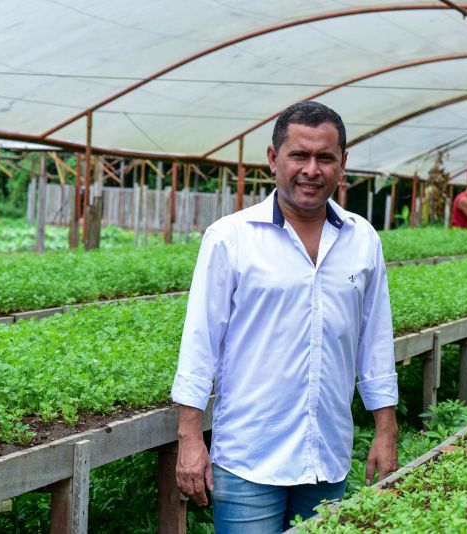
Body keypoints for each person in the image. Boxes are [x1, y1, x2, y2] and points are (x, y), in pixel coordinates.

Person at [170, 101, 399, 533]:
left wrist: (386, 431)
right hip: (250, 459)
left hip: (327, 456)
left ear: (342, 164)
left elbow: (375, 343)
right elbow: (200, 343)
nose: (311, 169)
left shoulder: (362, 239)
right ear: (274, 159)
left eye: (325, 157)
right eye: (299, 155)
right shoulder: (231, 238)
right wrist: (190, 439)